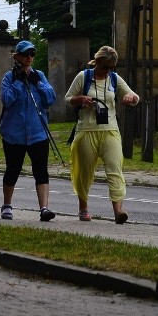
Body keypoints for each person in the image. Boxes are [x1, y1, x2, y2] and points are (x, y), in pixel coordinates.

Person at [65, 46, 140, 224]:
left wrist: (130, 99)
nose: (108, 71)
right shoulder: (83, 77)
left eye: (111, 68)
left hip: (110, 130)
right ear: (97, 62)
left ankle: (118, 211)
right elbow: (68, 99)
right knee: (84, 172)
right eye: (105, 67)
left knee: (115, 169)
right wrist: (80, 99)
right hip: (87, 130)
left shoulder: (114, 78)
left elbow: (134, 96)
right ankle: (83, 208)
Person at [0, 40, 57, 222]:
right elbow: (6, 100)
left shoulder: (39, 75)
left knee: (41, 171)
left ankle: (44, 209)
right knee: (12, 170)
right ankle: (7, 205)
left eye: (32, 54)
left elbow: (50, 99)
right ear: (17, 57)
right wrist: (18, 82)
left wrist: (37, 83)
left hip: (38, 132)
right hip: (14, 134)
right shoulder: (9, 77)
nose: (29, 58)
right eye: (25, 54)